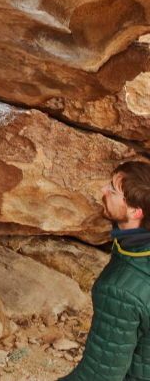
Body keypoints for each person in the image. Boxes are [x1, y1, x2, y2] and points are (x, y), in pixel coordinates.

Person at [59, 161, 150, 380]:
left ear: (136, 211)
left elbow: (99, 375)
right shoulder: (134, 247)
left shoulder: (120, 291)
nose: (103, 191)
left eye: (112, 190)